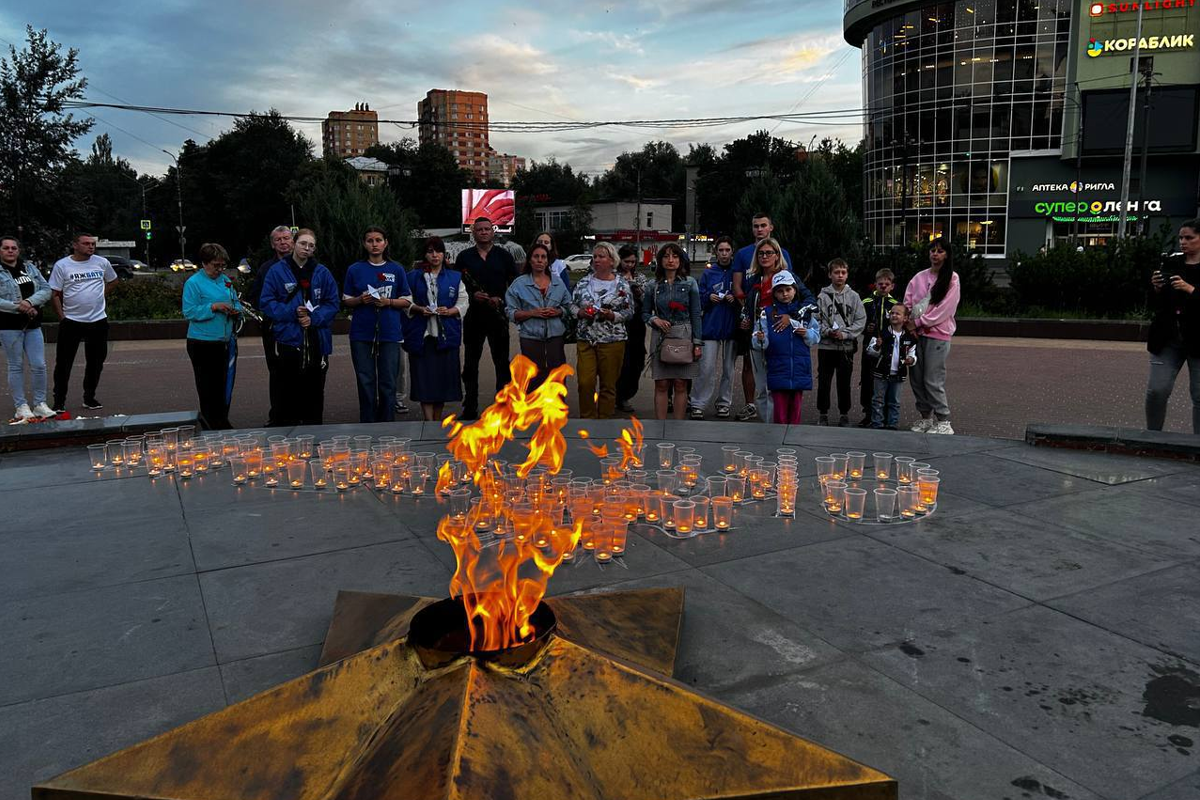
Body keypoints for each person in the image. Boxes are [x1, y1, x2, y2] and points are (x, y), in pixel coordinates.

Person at [258, 228, 339, 426]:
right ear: (294, 243)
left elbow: (333, 303)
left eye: (311, 245)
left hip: (316, 340)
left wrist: (314, 318)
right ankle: (288, 438)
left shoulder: (322, 272)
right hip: (288, 339)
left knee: (315, 391)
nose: (306, 248)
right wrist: (292, 313)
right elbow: (267, 302)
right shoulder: (276, 271)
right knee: (287, 390)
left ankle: (314, 435)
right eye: (303, 243)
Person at [739, 237, 815, 423]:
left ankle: (778, 427)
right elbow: (748, 305)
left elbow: (809, 301)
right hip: (760, 334)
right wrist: (746, 319)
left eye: (769, 253)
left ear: (777, 255)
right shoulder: (754, 278)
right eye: (761, 253)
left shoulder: (787, 276)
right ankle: (767, 425)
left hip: (782, 336)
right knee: (761, 386)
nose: (764, 256)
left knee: (776, 386)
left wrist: (792, 316)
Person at [343, 227, 412, 424]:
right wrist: (360, 300)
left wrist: (388, 302)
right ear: (364, 244)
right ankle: (368, 422)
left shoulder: (396, 269)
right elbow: (346, 300)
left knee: (388, 381)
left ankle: (387, 423)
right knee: (365, 380)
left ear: (385, 243)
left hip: (389, 333)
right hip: (361, 334)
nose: (374, 244)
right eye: (370, 240)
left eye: (378, 240)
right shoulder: (354, 269)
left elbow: (407, 300)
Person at [732, 214, 794, 422]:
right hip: (756, 326)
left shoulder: (783, 266)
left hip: (777, 326)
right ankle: (757, 411)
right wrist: (747, 314)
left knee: (776, 373)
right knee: (754, 370)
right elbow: (741, 288)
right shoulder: (745, 258)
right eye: (755, 226)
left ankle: (779, 416)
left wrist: (787, 315)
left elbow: (795, 294)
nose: (759, 229)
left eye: (763, 225)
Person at [49, 232, 118, 412]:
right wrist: (62, 317)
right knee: (64, 363)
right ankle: (59, 401)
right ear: (75, 245)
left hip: (98, 320)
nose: (91, 247)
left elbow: (113, 281)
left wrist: (99, 296)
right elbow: (55, 294)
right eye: (86, 243)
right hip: (71, 321)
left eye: (93, 244)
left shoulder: (101, 262)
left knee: (96, 362)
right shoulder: (62, 265)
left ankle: (89, 397)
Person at [403, 236, 469, 421]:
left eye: (438, 251)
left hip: (446, 336)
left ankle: (437, 421)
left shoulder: (454, 277)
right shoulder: (412, 277)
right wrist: (417, 309)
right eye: (430, 251)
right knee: (424, 381)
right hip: (422, 336)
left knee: (443, 382)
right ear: (424, 255)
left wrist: (450, 311)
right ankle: (428, 419)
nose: (435, 255)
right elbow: (405, 301)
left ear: (444, 254)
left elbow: (464, 301)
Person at [457, 216, 517, 419]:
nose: (483, 232)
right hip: (473, 317)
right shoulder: (465, 257)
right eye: (479, 229)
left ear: (493, 232)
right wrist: (472, 295)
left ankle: (503, 406)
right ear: (473, 233)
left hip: (498, 317)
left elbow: (514, 286)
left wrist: (501, 299)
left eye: (487, 229)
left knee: (501, 363)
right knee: (470, 364)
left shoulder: (504, 256)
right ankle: (470, 406)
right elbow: (457, 286)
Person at [1146, 218, 1200, 433]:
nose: (1183, 242)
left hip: (1198, 339)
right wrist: (1157, 288)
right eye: (1180, 238)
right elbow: (1156, 304)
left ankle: (1197, 445)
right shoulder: (1171, 263)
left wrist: (1191, 289)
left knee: (1199, 396)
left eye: (1189, 238)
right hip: (1167, 338)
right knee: (1156, 390)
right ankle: (1152, 437)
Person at [904, 238, 961, 435]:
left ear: (947, 255)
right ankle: (925, 417)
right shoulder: (918, 277)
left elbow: (945, 310)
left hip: (938, 335)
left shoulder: (952, 279)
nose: (935, 254)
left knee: (932, 378)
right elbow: (908, 301)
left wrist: (919, 322)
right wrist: (909, 324)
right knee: (916, 377)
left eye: (940, 251)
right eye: (932, 251)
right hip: (915, 335)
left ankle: (944, 419)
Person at [181, 243, 242, 430]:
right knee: (207, 386)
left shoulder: (225, 280)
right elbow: (189, 312)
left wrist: (236, 311)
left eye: (222, 265)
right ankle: (210, 422)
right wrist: (213, 307)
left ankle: (221, 419)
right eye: (216, 265)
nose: (220, 269)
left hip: (224, 341)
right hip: (202, 343)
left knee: (223, 384)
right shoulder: (194, 283)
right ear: (204, 263)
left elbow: (236, 302)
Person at [570, 242, 633, 419]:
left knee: (608, 385)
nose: (597, 260)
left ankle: (604, 422)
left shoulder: (622, 285)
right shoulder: (583, 283)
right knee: (585, 382)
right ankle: (587, 420)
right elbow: (572, 306)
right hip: (586, 340)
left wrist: (612, 315)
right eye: (595, 256)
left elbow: (629, 311)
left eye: (601, 256)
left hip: (612, 341)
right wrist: (581, 312)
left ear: (612, 261)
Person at [644, 242, 703, 421]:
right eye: (666, 256)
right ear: (660, 260)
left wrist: (697, 343)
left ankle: (679, 428)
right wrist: (655, 320)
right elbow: (645, 313)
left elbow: (695, 314)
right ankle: (660, 425)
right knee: (661, 384)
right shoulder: (652, 285)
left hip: (684, 334)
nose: (671, 260)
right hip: (661, 337)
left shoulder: (690, 283)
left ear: (681, 260)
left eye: (675, 256)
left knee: (681, 383)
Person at [752, 272, 820, 425]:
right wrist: (760, 339)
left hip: (799, 368)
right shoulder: (767, 313)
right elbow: (760, 341)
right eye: (780, 291)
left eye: (788, 290)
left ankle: (792, 443)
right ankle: (778, 443)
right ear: (774, 293)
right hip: (778, 368)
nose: (785, 294)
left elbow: (816, 336)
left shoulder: (805, 313)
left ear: (795, 290)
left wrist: (807, 333)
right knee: (780, 413)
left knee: (795, 412)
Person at [0, 235, 54, 420]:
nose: (10, 251)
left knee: (39, 365)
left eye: (13, 248)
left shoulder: (29, 267)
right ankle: (21, 406)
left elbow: (46, 289)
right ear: (0, 250)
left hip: (33, 324)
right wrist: (19, 307)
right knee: (15, 365)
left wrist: (30, 302)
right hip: (9, 326)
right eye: (6, 248)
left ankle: (40, 404)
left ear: (18, 250)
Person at [506, 242, 572, 389]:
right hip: (530, 338)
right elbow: (510, 312)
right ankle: (534, 410)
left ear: (548, 261)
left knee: (556, 375)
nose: (540, 260)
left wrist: (559, 311)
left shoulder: (558, 283)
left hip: (555, 337)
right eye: (536, 257)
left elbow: (569, 306)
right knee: (535, 376)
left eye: (543, 257)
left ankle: (556, 409)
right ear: (530, 260)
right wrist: (531, 313)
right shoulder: (519, 284)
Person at [248, 225, 293, 426]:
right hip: (274, 327)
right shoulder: (266, 268)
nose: (283, 242)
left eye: (286, 238)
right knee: (276, 372)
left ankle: (299, 413)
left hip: (300, 328)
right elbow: (257, 298)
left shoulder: (305, 266)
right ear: (272, 244)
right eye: (278, 239)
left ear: (293, 241)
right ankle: (277, 415)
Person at [690, 236, 738, 419]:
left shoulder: (737, 271)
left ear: (732, 251)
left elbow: (744, 294)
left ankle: (724, 403)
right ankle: (698, 403)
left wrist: (735, 299)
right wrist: (708, 297)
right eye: (721, 250)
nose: (724, 254)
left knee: (729, 368)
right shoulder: (709, 273)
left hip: (732, 327)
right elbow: (699, 298)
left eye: (727, 250)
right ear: (715, 252)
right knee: (707, 367)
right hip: (711, 327)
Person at [816, 258, 866, 427]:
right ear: (830, 275)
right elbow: (816, 320)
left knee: (844, 382)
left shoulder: (854, 297)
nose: (840, 276)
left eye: (843, 272)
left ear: (847, 274)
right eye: (836, 272)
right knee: (824, 381)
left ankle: (844, 413)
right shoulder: (822, 297)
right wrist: (827, 332)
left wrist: (845, 334)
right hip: (826, 346)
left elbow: (860, 320)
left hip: (845, 347)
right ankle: (823, 413)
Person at [865, 303, 918, 430]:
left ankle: (892, 424)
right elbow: (870, 351)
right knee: (878, 399)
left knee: (894, 401)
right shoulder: (882, 333)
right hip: (881, 372)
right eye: (892, 313)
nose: (894, 315)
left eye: (898, 313)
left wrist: (911, 359)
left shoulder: (909, 337)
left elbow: (912, 352)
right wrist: (877, 346)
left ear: (905, 318)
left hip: (899, 373)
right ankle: (877, 423)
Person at [858, 268, 898, 427]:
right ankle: (868, 413)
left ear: (892, 286)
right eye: (880, 283)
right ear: (874, 284)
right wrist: (865, 328)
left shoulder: (895, 305)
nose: (883, 286)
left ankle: (886, 415)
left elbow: (900, 324)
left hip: (888, 348)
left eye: (887, 284)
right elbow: (858, 321)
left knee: (886, 379)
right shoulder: (866, 302)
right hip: (869, 347)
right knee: (867, 379)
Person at [615, 244, 649, 413]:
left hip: (636, 322)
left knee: (636, 360)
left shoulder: (640, 277)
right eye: (626, 261)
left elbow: (647, 299)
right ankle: (618, 396)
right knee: (621, 360)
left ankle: (628, 393)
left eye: (633, 262)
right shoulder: (613, 277)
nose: (629, 265)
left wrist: (635, 287)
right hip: (618, 322)